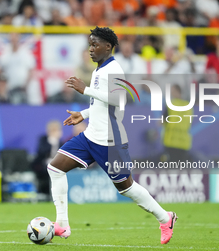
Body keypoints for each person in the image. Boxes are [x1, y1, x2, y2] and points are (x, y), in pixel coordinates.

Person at [47, 27, 177, 244]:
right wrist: (84, 114)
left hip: (109, 141)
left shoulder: (114, 69)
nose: (90, 49)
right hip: (90, 137)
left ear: (108, 46)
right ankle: (62, 224)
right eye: (89, 44)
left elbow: (119, 100)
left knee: (126, 189)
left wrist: (85, 89)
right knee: (55, 168)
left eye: (95, 44)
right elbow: (102, 104)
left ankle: (165, 218)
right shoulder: (99, 69)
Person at [0, 33, 36, 104]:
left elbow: (31, 70)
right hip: (10, 89)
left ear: (19, 38)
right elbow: (0, 68)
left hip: (23, 88)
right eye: (12, 38)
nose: (14, 40)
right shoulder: (5, 52)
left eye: (15, 37)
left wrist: (26, 86)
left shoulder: (25, 52)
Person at [31, 120, 63, 200]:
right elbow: (41, 152)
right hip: (43, 166)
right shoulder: (43, 140)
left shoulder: (61, 143)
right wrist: (51, 143)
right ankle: (46, 193)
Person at [162, 84, 193, 162]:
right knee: (182, 169)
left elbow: (163, 120)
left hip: (171, 141)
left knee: (171, 169)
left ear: (177, 91)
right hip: (184, 142)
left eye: (172, 91)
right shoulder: (188, 105)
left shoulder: (171, 104)